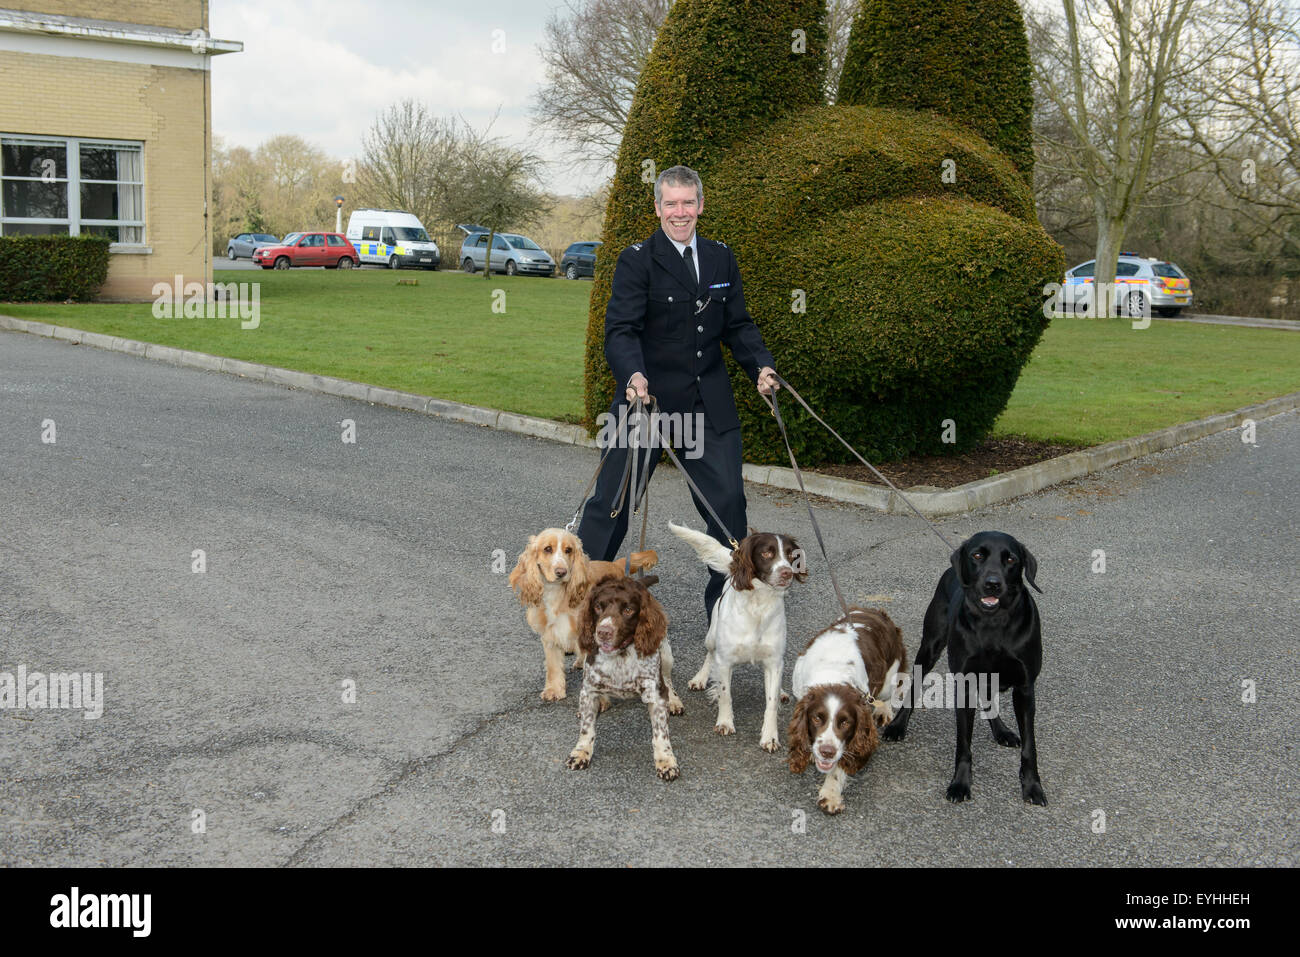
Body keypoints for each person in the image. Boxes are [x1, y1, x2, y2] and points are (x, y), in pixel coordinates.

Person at [577, 164, 779, 623]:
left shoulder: (720, 258)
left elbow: (739, 325)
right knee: (611, 506)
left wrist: (761, 367)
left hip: (707, 405)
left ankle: (727, 621)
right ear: (657, 207)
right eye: (671, 203)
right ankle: (583, 615)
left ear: (701, 205)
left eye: (688, 202)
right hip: (646, 403)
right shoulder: (637, 260)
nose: (680, 212)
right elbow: (621, 331)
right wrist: (633, 374)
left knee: (729, 509)